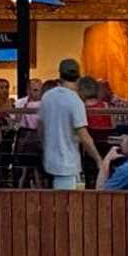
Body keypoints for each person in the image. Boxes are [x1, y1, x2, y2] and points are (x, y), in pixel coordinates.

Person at [39, 59, 102, 190]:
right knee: (67, 205)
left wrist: (45, 146)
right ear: (78, 76)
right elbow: (84, 136)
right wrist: (98, 159)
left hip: (49, 160)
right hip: (68, 163)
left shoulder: (47, 96)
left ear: (60, 74)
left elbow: (41, 127)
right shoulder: (75, 101)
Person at [15, 79, 44, 188]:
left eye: (40, 90)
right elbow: (16, 120)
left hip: (40, 137)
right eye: (35, 90)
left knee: (38, 169)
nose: (38, 93)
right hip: (25, 137)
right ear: (28, 90)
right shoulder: (20, 103)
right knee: (23, 169)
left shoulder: (46, 103)